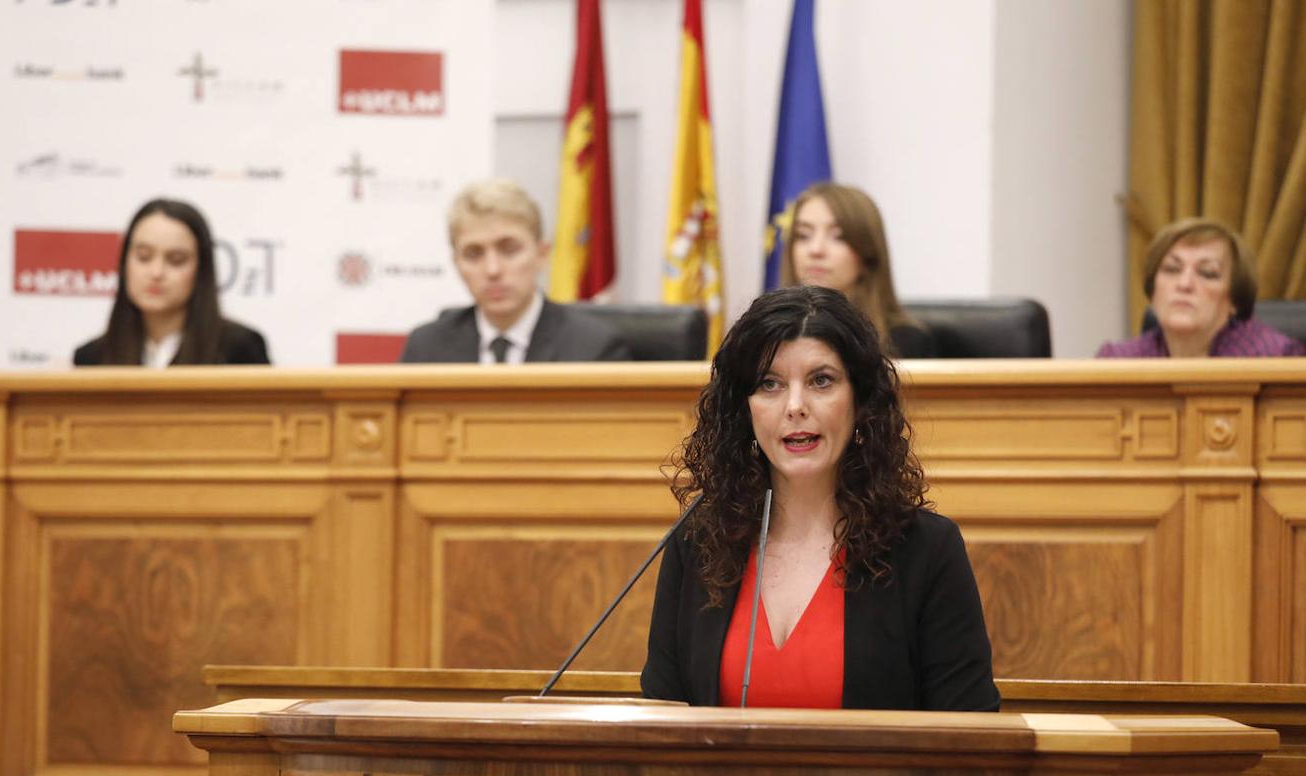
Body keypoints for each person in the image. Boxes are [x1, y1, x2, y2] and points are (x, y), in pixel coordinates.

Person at [641, 285, 998, 711]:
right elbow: (661, 724)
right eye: (769, 384)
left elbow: (972, 736)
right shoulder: (697, 544)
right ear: (744, 408)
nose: (794, 406)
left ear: (860, 400)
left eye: (821, 381)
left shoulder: (925, 551)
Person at [399, 178, 632, 363]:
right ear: (456, 263)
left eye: (509, 250)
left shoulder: (594, 348)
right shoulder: (427, 348)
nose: (492, 270)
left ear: (541, 254)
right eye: (473, 254)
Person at [74, 198, 270, 366]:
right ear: (125, 262)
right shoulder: (91, 358)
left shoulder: (240, 349)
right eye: (144, 257)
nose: (157, 272)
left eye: (176, 260)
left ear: (201, 269)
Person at [1097, 217, 1303, 358]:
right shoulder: (1118, 361)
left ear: (1234, 299)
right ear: (1153, 291)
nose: (1184, 284)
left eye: (1207, 273)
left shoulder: (1274, 358)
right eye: (1171, 269)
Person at [781, 182, 936, 359]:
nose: (816, 249)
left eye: (838, 237)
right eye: (803, 235)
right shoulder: (765, 336)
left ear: (868, 253)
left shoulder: (907, 342)